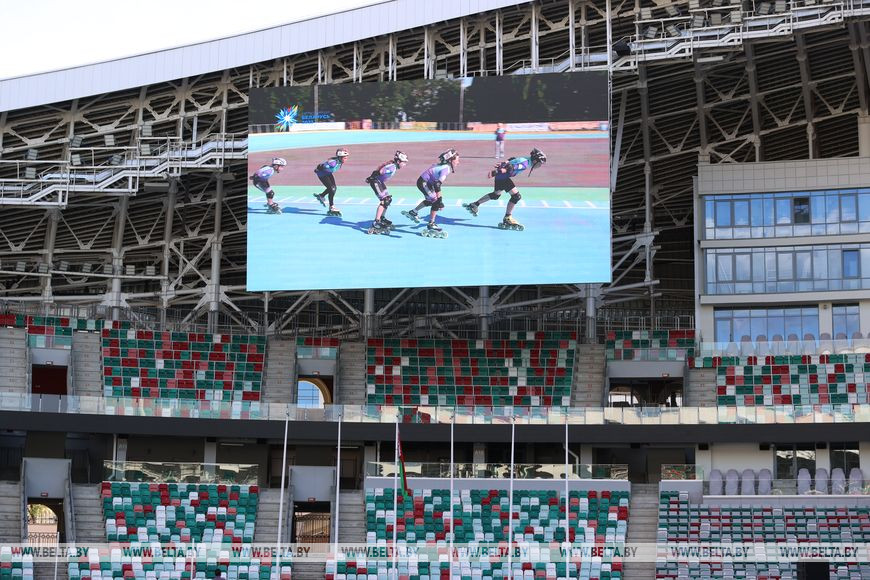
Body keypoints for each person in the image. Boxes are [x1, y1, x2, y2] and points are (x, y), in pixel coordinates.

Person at [463, 148, 547, 230]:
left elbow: (512, 159)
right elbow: (511, 167)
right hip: (503, 177)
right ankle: (507, 217)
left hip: (501, 177)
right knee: (516, 196)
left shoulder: (526, 159)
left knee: (495, 195)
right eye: (539, 163)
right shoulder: (525, 164)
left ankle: (475, 205)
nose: (539, 166)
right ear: (535, 161)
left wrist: (503, 163)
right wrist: (497, 172)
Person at [402, 148, 459, 238]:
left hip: (425, 182)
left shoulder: (444, 166)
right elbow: (437, 185)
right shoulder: (446, 168)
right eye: (457, 160)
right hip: (424, 182)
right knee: (436, 201)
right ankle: (431, 224)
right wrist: (440, 200)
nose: (458, 162)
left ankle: (413, 212)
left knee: (431, 201)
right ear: (450, 160)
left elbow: (436, 184)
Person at [365, 150, 409, 234]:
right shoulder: (392, 167)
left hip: (379, 182)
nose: (404, 164)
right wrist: (371, 178)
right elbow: (379, 171)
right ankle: (376, 222)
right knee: (384, 201)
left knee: (388, 199)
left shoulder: (393, 166)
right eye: (404, 162)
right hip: (375, 182)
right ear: (398, 161)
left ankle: (382, 218)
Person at [313, 148, 349, 216]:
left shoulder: (339, 162)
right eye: (345, 158)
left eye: (346, 157)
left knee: (334, 188)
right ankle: (331, 207)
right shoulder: (333, 163)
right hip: (322, 175)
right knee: (331, 189)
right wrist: (317, 169)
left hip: (328, 173)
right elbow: (321, 165)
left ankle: (321, 196)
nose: (346, 159)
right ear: (340, 157)